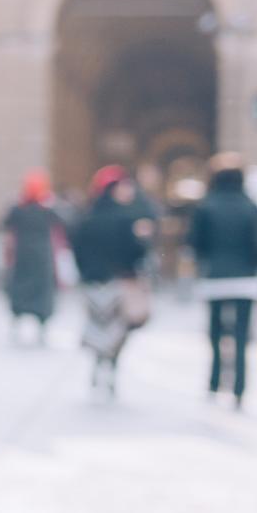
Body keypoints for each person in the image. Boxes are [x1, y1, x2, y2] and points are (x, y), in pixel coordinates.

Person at [189, 154, 257, 410]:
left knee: (215, 334)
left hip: (215, 279)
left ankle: (215, 383)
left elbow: (195, 244)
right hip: (246, 280)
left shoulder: (206, 207)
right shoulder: (252, 207)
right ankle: (239, 388)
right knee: (241, 336)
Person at [73, 166, 152, 399]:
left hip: (93, 282)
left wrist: (86, 272)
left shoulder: (87, 218)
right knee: (118, 331)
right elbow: (136, 253)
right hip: (120, 282)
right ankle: (111, 368)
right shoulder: (127, 219)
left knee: (98, 327)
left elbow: (78, 249)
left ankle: (98, 365)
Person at [2, 170, 65, 344]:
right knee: (41, 294)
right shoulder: (47, 210)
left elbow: (4, 223)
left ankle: (17, 323)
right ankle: (41, 327)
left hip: (22, 256)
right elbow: (63, 223)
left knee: (21, 291)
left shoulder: (18, 209)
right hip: (41, 258)